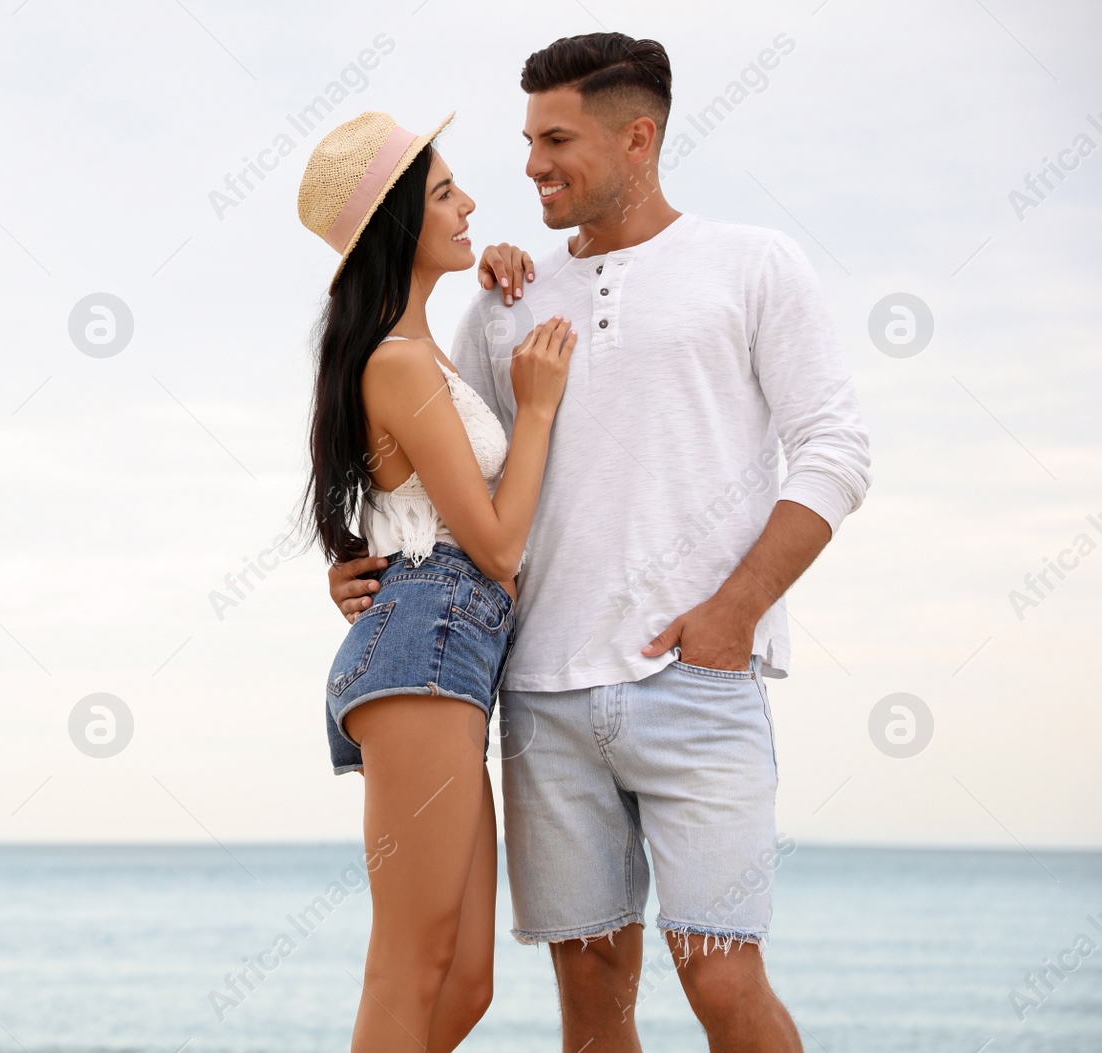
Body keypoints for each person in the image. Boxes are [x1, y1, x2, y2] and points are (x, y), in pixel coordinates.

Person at [326, 33, 872, 1053]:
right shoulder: (502, 303)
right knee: (591, 1002)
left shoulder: (750, 263)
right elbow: (458, 479)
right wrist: (363, 558)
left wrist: (734, 612)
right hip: (539, 697)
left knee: (723, 986)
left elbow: (835, 449)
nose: (529, 164)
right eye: (526, 138)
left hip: (697, 682)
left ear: (637, 136)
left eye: (556, 138)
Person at [294, 110, 573, 1053]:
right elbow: (494, 544)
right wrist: (536, 410)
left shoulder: (427, 351)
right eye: (445, 193)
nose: (470, 201)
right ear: (397, 224)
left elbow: (414, 509)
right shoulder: (400, 361)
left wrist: (497, 270)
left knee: (465, 982)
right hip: (425, 648)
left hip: (449, 652)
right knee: (411, 966)